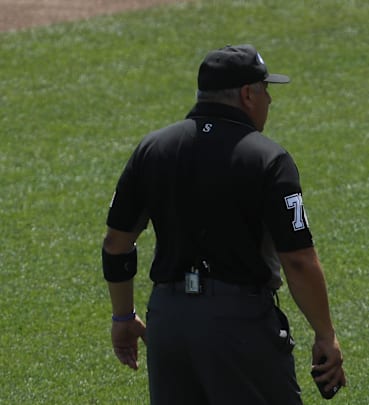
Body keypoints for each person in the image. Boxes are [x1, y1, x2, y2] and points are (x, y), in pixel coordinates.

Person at [101, 44, 346, 404]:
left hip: (168, 323)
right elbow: (298, 261)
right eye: (266, 90)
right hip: (239, 327)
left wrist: (123, 316)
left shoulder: (153, 149)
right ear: (248, 94)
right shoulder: (268, 158)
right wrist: (325, 334)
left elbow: (116, 244)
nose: (270, 102)